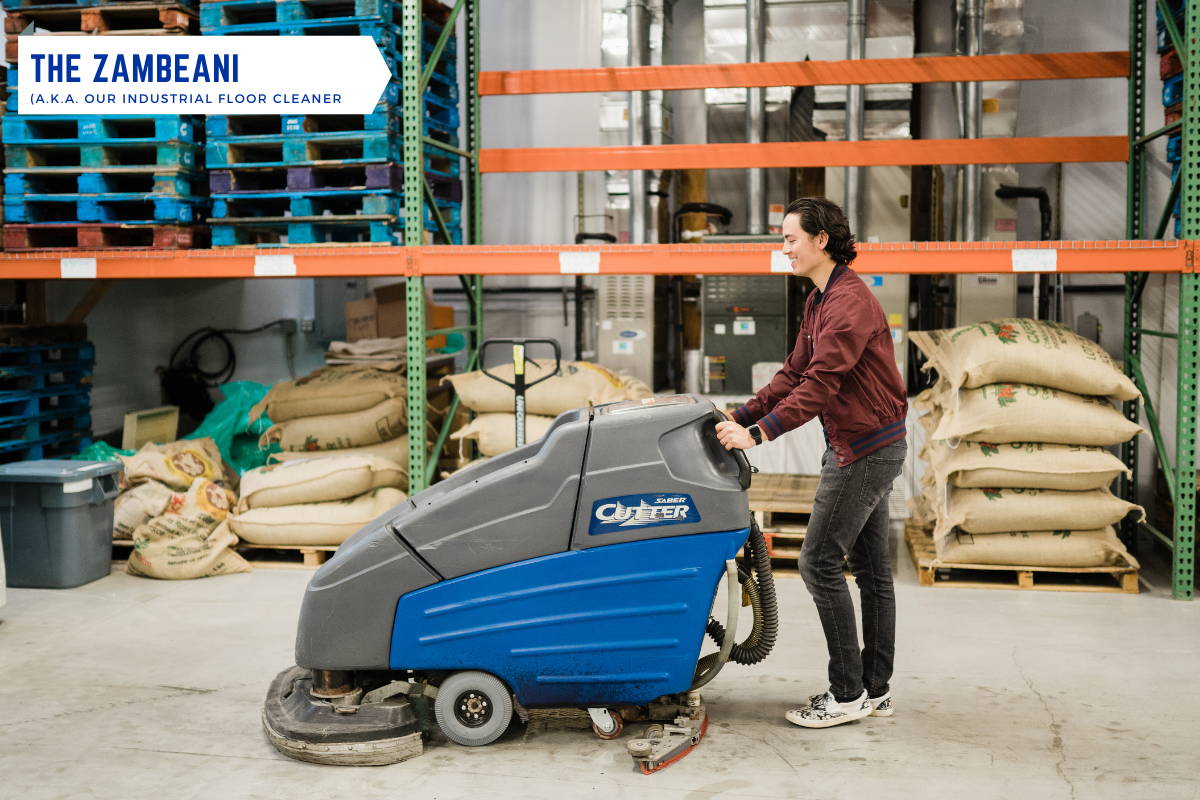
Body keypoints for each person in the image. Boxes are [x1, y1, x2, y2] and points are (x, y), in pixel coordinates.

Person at [715, 197, 908, 729]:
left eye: (790, 239)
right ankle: (874, 690)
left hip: (864, 450)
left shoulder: (849, 302)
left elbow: (821, 385)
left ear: (821, 240)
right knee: (872, 573)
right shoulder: (820, 299)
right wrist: (740, 412)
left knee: (819, 563)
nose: (785, 249)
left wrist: (758, 434)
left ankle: (846, 694)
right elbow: (793, 372)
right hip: (866, 443)